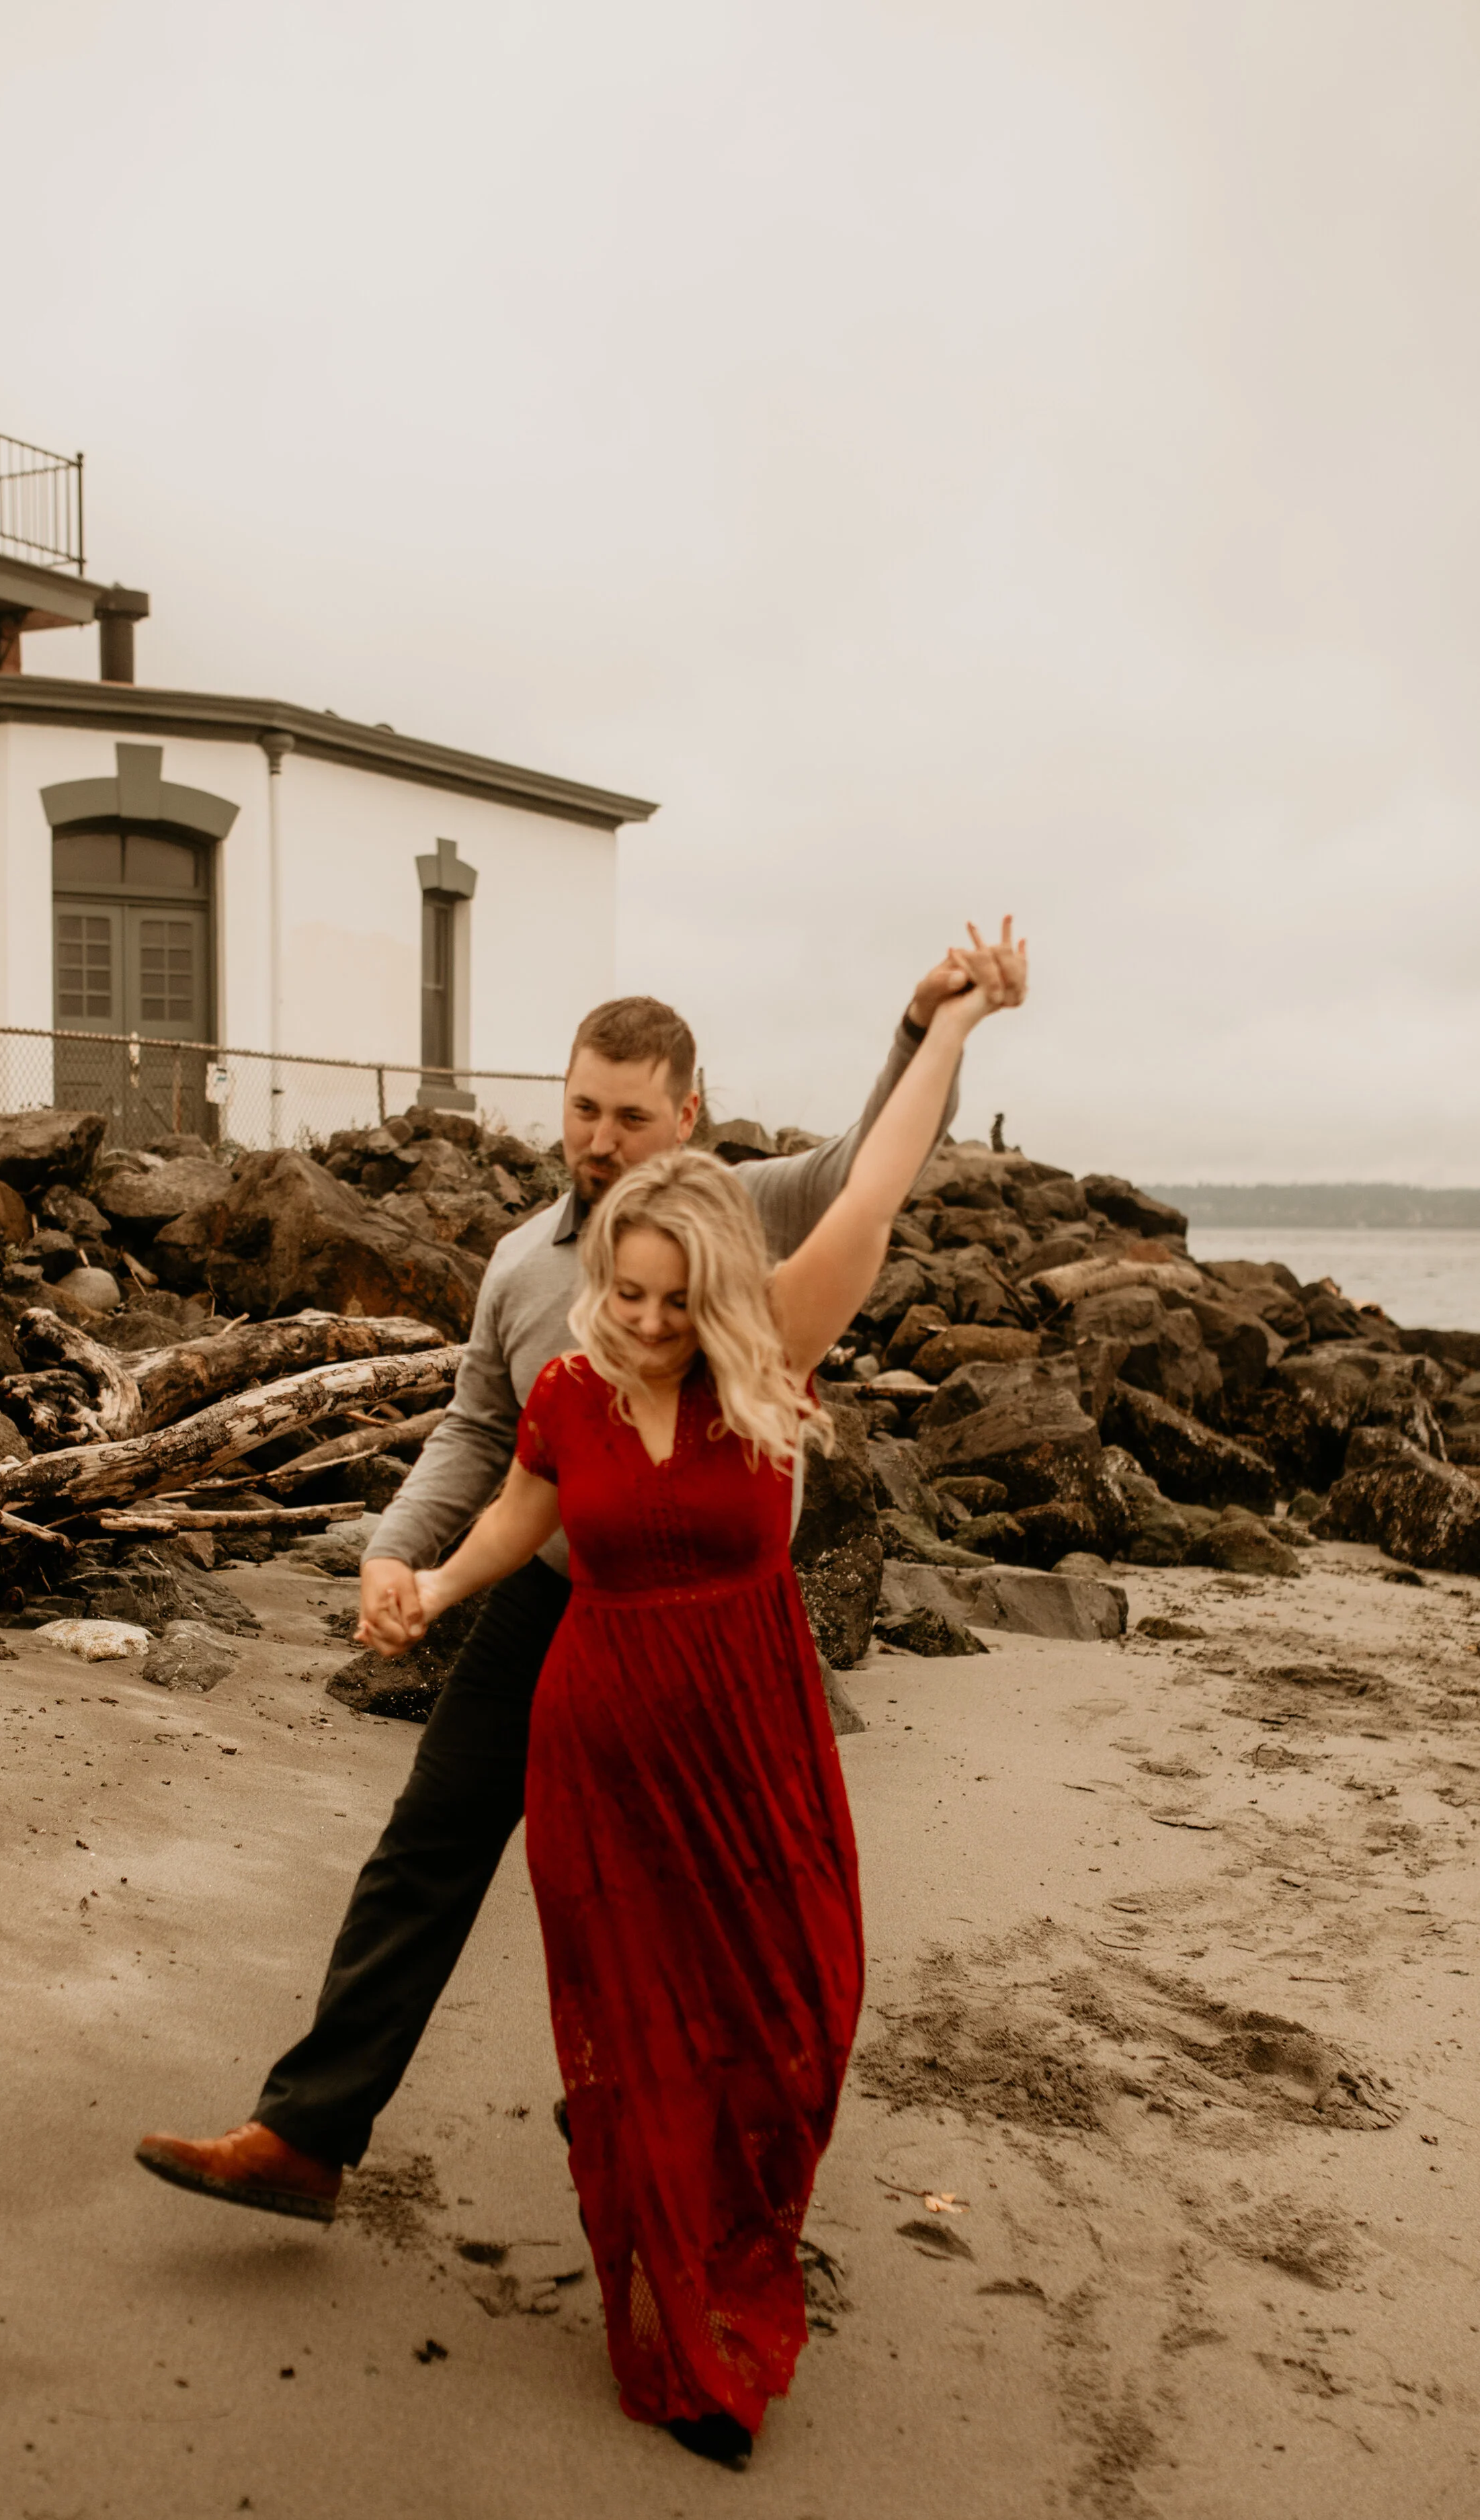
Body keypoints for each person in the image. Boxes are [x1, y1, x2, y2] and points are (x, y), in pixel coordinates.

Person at [135, 948, 975, 2223]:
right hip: (550, 1604)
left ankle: (684, 2150)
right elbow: (483, 1432)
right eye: (583, 1108)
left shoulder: (750, 1212)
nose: (600, 1138)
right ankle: (305, 2133)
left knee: (701, 1904)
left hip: (705, 1627)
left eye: (631, 1114)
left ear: (687, 1114)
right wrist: (397, 1555)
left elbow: (877, 1162)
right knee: (426, 1847)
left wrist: (924, 1026)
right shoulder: (525, 1261)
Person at [361, 916, 1027, 2468]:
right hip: (602, 1752)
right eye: (625, 1296)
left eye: (671, 1299)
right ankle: (691, 2335)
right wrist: (429, 1588)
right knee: (648, 2043)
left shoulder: (764, 1360)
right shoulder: (568, 1388)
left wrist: (950, 1028)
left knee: (795, 2020)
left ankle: (739, 2235)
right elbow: (516, 1514)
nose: (648, 1324)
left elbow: (868, 1187)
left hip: (753, 1735)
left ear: (713, 1285)